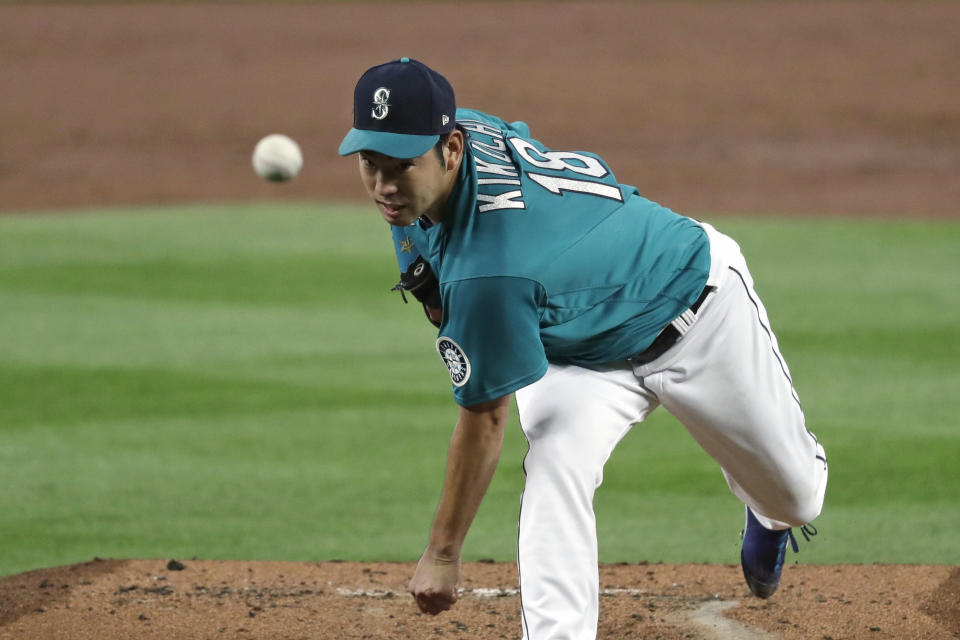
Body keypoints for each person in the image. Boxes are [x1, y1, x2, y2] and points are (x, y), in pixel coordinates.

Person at [338, 57, 828, 640]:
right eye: (370, 163)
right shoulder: (459, 138)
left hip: (696, 307)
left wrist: (442, 552)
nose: (385, 186)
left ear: (450, 147)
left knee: (798, 497)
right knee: (555, 464)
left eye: (402, 166)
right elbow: (423, 220)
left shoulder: (490, 272)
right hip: (580, 349)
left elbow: (484, 419)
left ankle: (769, 514)